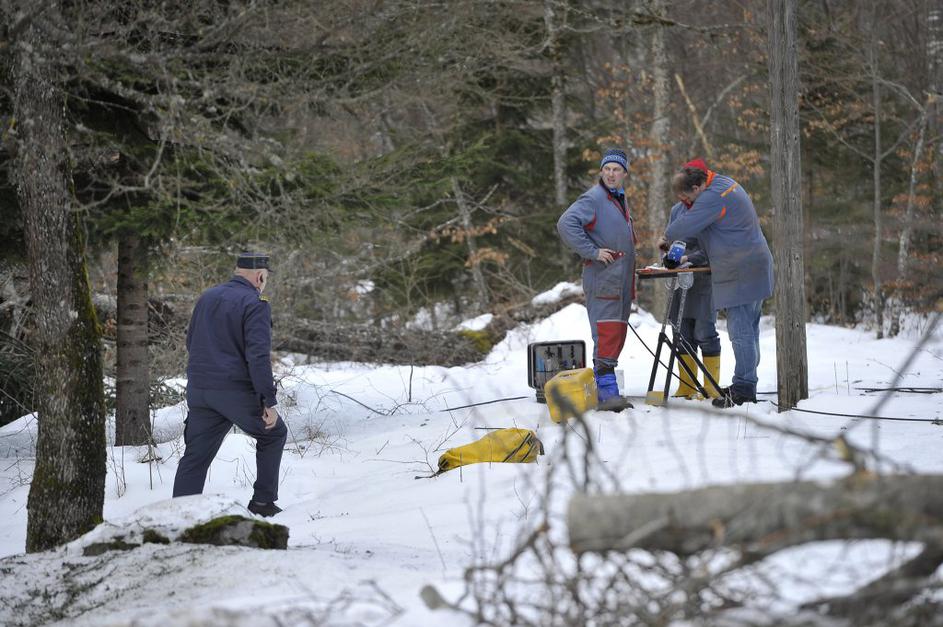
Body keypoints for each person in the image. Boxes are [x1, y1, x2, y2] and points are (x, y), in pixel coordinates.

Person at [173, 252, 288, 516]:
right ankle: (263, 503)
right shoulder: (256, 302)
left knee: (195, 458)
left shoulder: (207, 297)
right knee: (274, 433)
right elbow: (258, 357)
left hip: (200, 390)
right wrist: (268, 400)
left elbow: (191, 342)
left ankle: (179, 514)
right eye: (266, 279)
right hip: (234, 391)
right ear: (260, 276)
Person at [660, 159, 774, 408]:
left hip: (742, 269)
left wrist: (665, 239)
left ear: (698, 186)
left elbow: (683, 227)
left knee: (741, 332)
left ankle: (744, 388)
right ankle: (747, 380)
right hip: (751, 264)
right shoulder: (723, 182)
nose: (686, 204)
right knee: (749, 330)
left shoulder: (712, 197)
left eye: (686, 198)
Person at [557, 148, 637, 405]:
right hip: (603, 278)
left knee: (615, 332)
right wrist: (591, 251)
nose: (611, 174)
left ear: (624, 173)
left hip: (620, 280)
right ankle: (607, 395)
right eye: (607, 169)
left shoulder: (617, 199)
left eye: (616, 169)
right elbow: (566, 223)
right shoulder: (594, 198)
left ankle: (607, 390)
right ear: (601, 171)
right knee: (605, 332)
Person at [664, 186, 722, 399]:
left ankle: (710, 386)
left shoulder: (707, 209)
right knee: (681, 332)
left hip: (704, 278)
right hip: (680, 280)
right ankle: (687, 385)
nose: (682, 195)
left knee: (704, 331)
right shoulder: (676, 211)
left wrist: (689, 259)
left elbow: (711, 247)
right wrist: (669, 254)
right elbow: (672, 240)